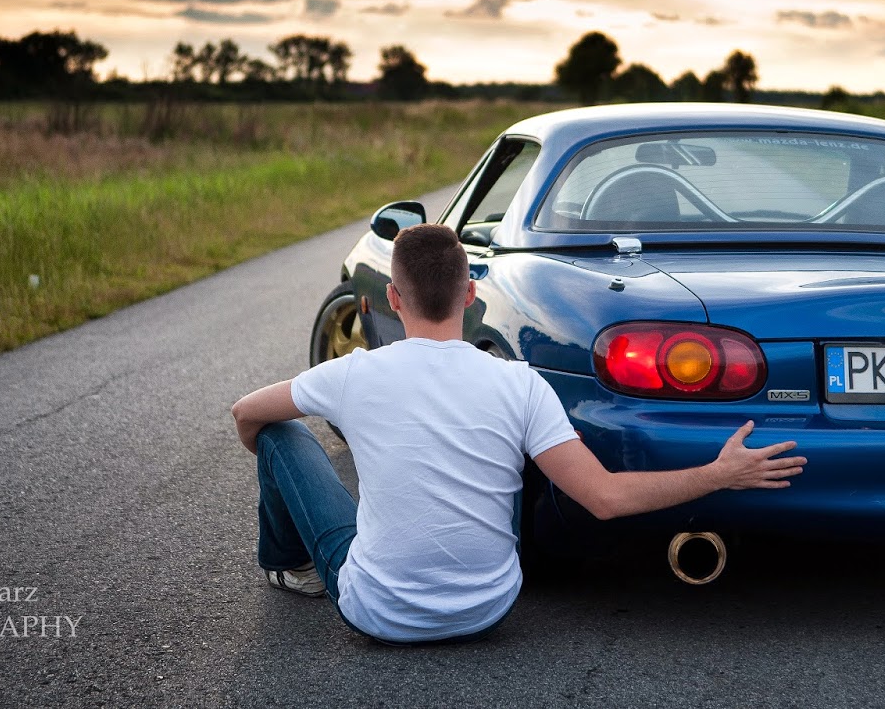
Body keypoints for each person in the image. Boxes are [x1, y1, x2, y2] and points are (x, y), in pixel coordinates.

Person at [230, 223, 807, 644]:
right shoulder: (519, 382)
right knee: (513, 446)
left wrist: (273, 462)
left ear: (393, 298)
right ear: (469, 294)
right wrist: (720, 474)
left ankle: (290, 564)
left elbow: (245, 412)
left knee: (283, 435)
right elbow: (605, 499)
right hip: (488, 609)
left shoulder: (354, 374)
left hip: (377, 612)